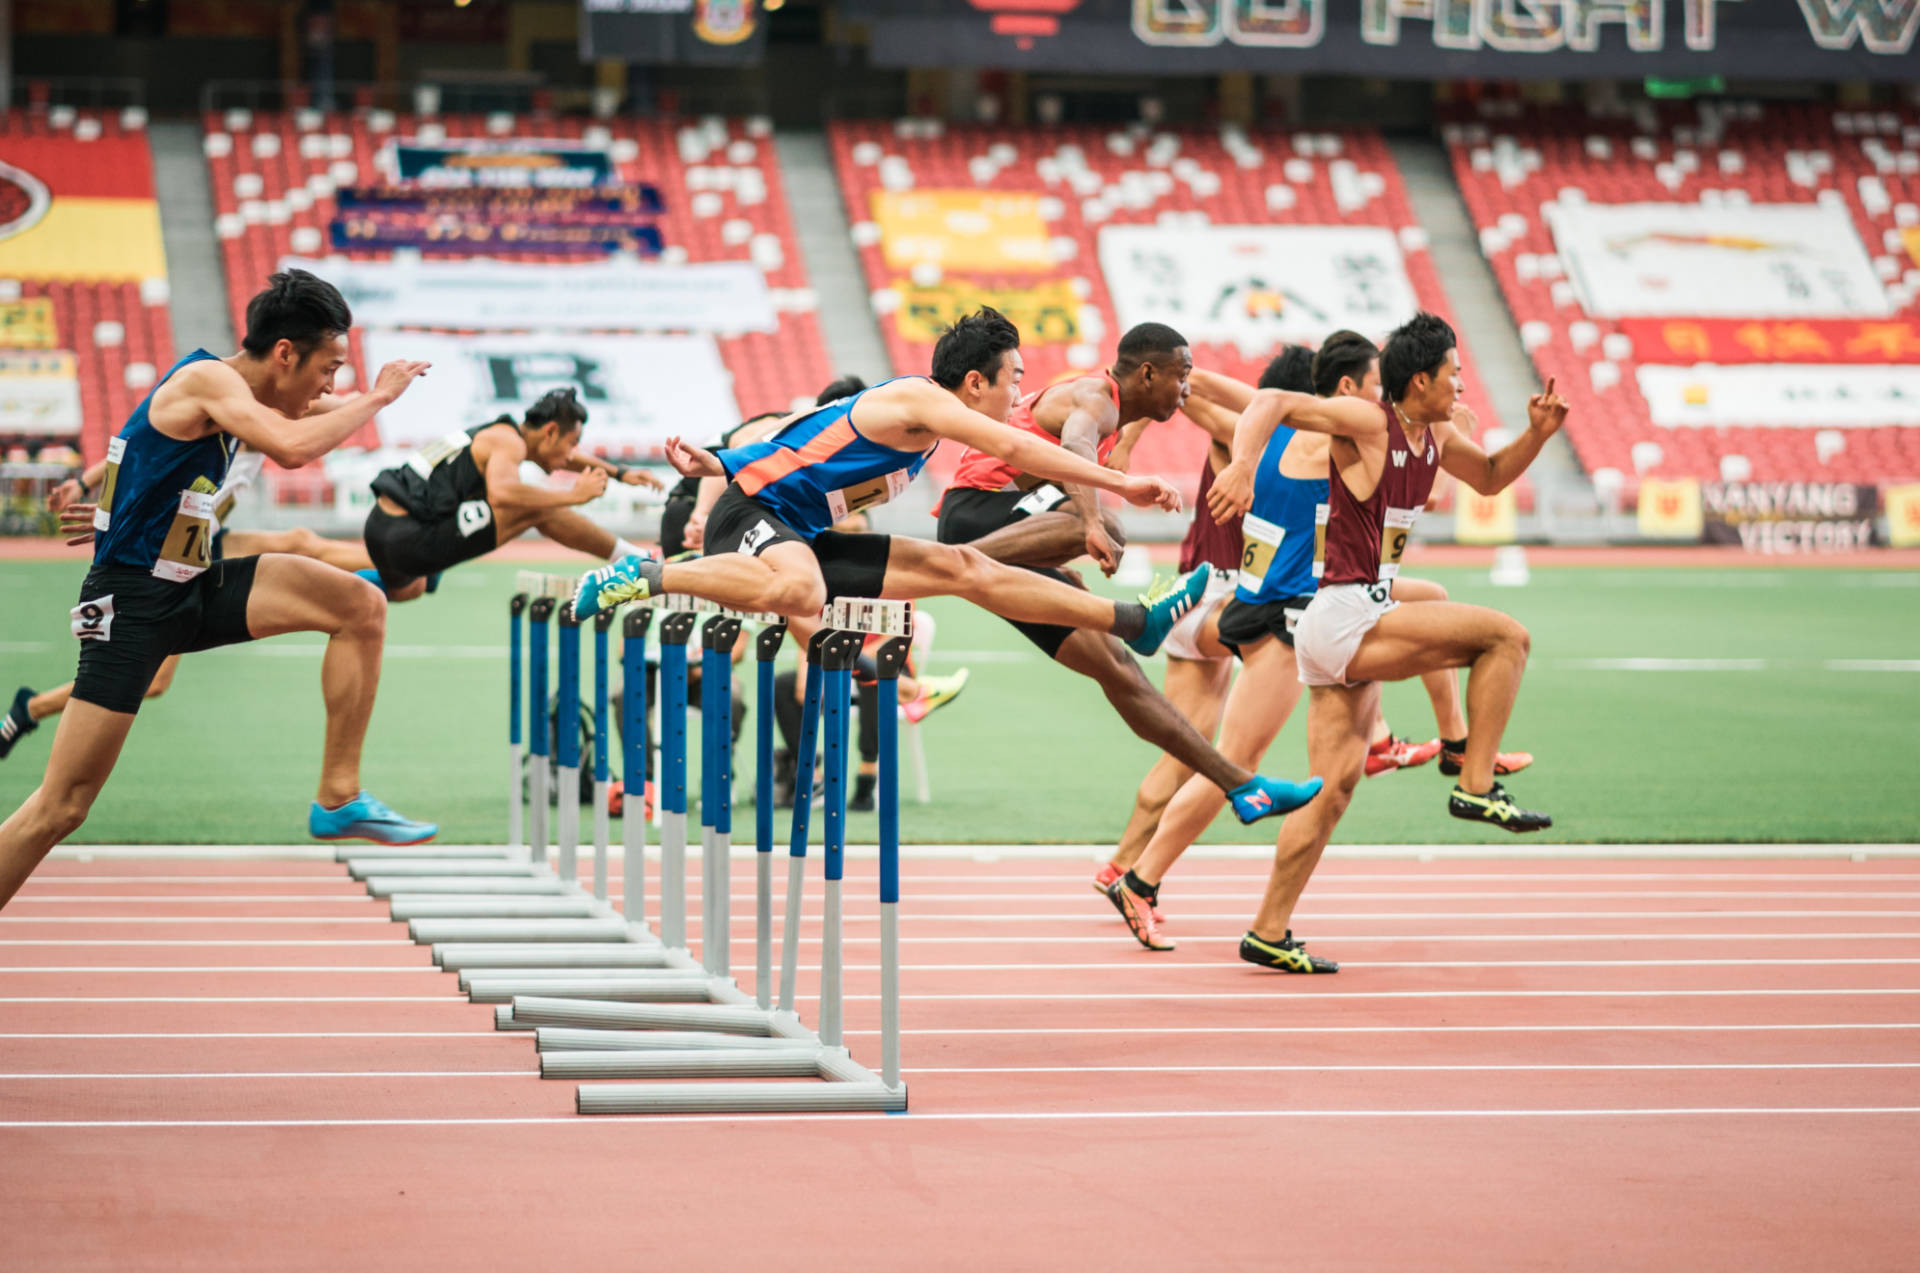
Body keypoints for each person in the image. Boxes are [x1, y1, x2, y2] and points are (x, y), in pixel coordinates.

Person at [575, 308, 1322, 824]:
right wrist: (1118, 487)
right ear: (974, 383)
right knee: (804, 585)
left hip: (801, 525)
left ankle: (1156, 648)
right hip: (756, 523)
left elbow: (804, 432)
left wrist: (723, 454)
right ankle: (642, 574)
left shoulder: (921, 417)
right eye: (1012, 376)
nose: (1021, 388)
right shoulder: (923, 403)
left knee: (968, 570)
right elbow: (1026, 450)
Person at [0, 269, 438, 909]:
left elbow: (304, 412)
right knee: (61, 808)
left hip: (194, 582)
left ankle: (339, 798)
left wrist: (103, 502)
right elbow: (291, 448)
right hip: (135, 604)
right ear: (284, 352)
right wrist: (378, 401)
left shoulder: (247, 389)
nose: (330, 384)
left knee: (360, 605)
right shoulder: (210, 381)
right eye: (328, 367)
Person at [1104, 331, 1531, 951]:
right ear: (1347, 391)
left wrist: (1134, 435)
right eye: (1377, 387)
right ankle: (1138, 879)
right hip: (1282, 614)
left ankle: (1443, 744)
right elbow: (1411, 486)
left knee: (1430, 600)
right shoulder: (1331, 442)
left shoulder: (1276, 427)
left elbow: (1201, 392)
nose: (1385, 401)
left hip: (1280, 602)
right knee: (1235, 763)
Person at [1193, 313, 1563, 973]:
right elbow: (1274, 400)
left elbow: (1490, 476)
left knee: (1330, 790)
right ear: (1419, 379)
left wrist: (1536, 434)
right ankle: (1470, 776)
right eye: (1453, 371)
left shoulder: (1434, 432)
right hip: (1343, 612)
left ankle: (1267, 930)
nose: (1461, 382)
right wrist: (1243, 465)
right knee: (1506, 636)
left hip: (1350, 614)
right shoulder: (1370, 421)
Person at [929, 321, 1305, 828]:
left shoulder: (1120, 411)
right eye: (1181, 377)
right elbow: (1074, 450)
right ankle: (931, 574)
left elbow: (1054, 478)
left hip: (1009, 526)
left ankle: (1241, 786)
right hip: (975, 512)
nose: (1187, 391)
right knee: (1107, 522)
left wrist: (1057, 562)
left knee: (1121, 669)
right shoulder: (1095, 398)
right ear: (1147, 373)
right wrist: (1088, 522)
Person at [2, 443, 389, 758]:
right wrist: (85, 484)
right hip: (174, 551)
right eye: (323, 370)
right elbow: (140, 444)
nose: (322, 386)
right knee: (153, 683)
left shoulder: (271, 406)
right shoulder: (252, 413)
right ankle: (31, 707)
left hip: (207, 533)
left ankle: (401, 564)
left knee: (301, 542)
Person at [362, 387, 661, 600]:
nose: (572, 455)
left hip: (382, 527)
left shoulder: (500, 434)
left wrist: (619, 473)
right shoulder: (509, 443)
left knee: (409, 589)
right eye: (572, 443)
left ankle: (342, 585)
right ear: (550, 432)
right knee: (535, 506)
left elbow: (562, 456)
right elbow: (503, 494)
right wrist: (574, 495)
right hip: (407, 538)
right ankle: (639, 561)